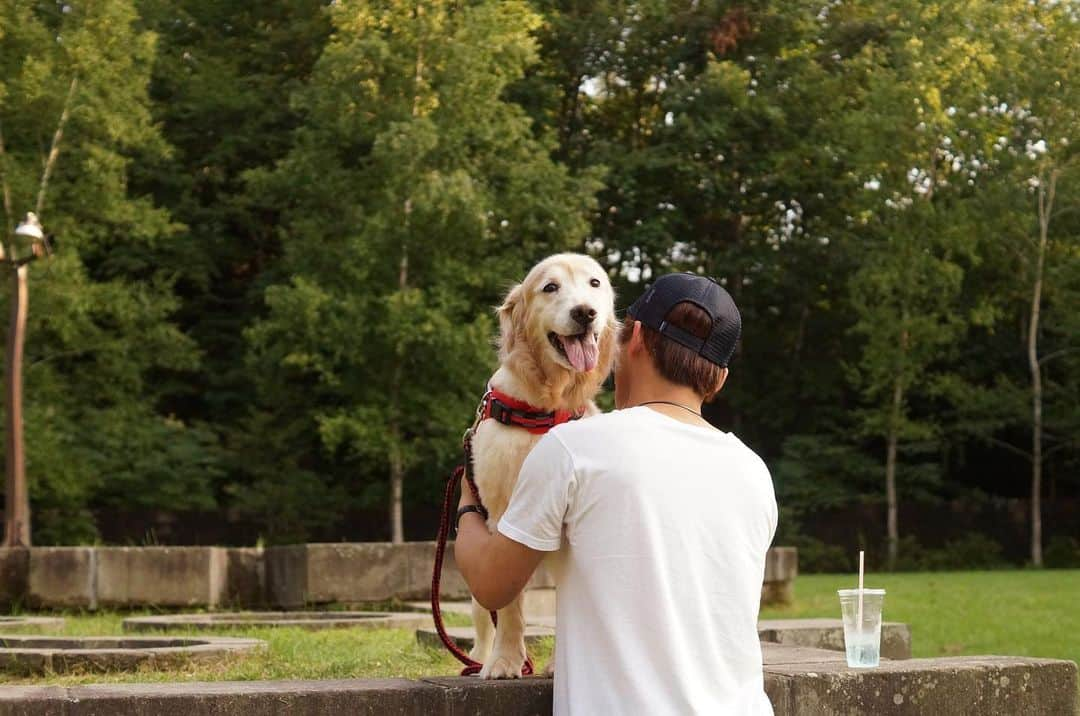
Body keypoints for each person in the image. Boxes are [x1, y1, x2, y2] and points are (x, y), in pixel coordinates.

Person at [454, 272, 778, 715]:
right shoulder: (753, 472)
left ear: (635, 338)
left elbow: (492, 585)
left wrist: (469, 498)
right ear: (718, 378)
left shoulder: (574, 448)